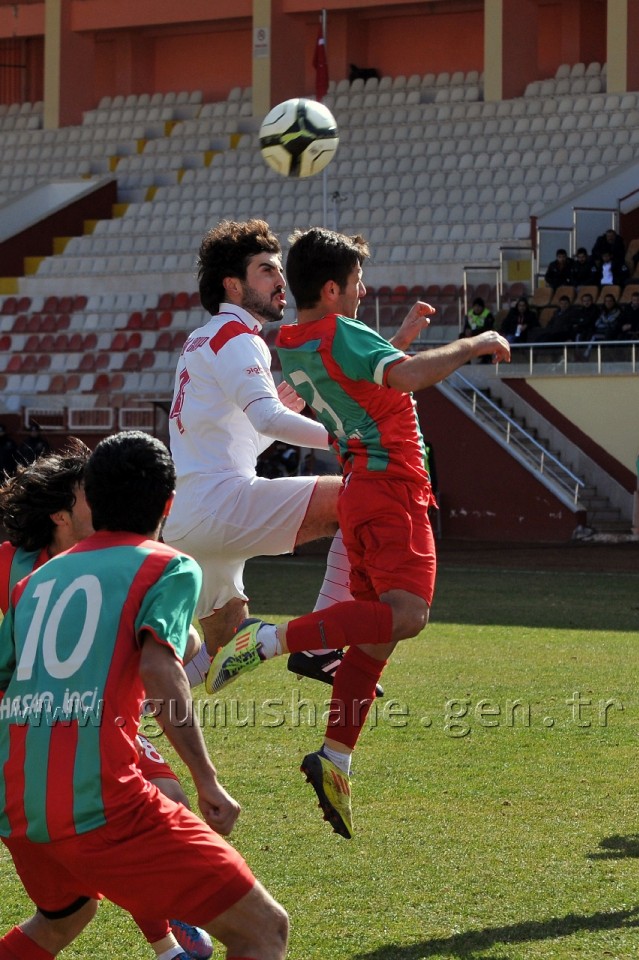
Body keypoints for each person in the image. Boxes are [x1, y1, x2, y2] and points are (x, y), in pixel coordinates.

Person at [207, 227, 510, 840]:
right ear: (330, 287)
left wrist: (394, 342)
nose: (363, 290)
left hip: (362, 493)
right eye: (355, 283)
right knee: (407, 615)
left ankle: (335, 758)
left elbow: (353, 379)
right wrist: (471, 342)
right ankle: (270, 639)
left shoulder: (292, 341)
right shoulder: (340, 333)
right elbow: (402, 379)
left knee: (373, 637)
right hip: (392, 489)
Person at [0, 430, 288, 960]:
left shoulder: (33, 582)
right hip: (99, 804)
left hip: (17, 804)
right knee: (264, 930)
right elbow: (159, 669)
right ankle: (169, 943)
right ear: (168, 504)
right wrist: (208, 780)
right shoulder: (167, 564)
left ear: (90, 499)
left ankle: (167, 943)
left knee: (63, 918)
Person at [163, 219, 390, 696]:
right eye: (266, 270)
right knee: (359, 501)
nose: (280, 281)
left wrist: (277, 419)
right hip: (220, 503)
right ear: (233, 284)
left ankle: (135, 717)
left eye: (279, 270)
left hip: (190, 515)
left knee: (223, 633)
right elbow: (267, 419)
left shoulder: (201, 339)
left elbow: (246, 436)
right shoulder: (236, 336)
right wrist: (341, 441)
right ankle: (321, 643)